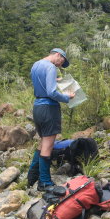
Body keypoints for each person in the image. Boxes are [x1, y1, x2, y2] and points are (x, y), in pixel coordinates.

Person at [27, 48, 75, 191]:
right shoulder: (51, 67)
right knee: (48, 145)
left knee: (42, 143)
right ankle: (45, 182)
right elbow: (51, 92)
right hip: (49, 108)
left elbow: (40, 81)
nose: (60, 65)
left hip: (37, 107)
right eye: (62, 61)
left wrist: (55, 79)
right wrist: (67, 97)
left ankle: (32, 176)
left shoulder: (36, 65)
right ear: (57, 55)